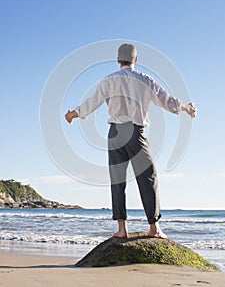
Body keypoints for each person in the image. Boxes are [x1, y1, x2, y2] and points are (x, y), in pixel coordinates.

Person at [65, 43, 197, 239]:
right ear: (136, 59)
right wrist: (187, 108)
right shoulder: (145, 79)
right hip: (136, 133)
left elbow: (91, 103)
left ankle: (121, 229)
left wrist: (73, 114)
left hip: (115, 133)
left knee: (117, 181)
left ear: (118, 60)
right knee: (148, 177)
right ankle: (154, 228)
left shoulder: (108, 80)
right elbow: (167, 100)